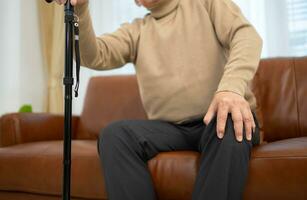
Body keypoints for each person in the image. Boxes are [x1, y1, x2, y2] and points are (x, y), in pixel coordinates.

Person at [55, 0, 262, 199]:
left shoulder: (207, 3)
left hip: (218, 119)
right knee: (115, 135)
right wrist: (80, 8)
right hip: (171, 130)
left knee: (229, 123)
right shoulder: (136, 31)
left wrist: (231, 89)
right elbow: (93, 56)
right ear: (136, 1)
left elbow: (247, 36)